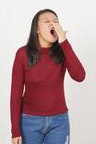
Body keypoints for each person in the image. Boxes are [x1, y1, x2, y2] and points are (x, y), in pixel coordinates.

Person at [10, 9, 86, 144]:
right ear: (37, 29)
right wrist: (15, 130)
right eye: (47, 21)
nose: (53, 24)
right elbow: (15, 94)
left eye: (56, 21)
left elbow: (80, 76)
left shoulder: (63, 51)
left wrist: (64, 41)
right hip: (29, 122)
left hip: (59, 122)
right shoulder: (22, 54)